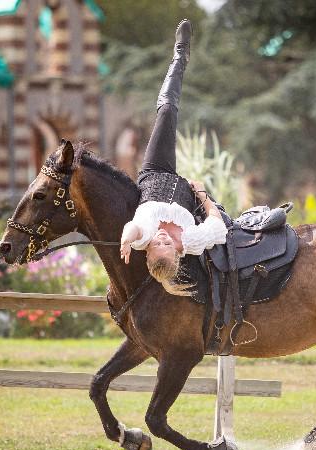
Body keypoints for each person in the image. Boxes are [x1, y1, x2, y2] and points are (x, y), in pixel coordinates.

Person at [119, 20, 227, 295]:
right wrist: (202, 193)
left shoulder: (143, 236)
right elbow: (218, 224)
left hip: (156, 172)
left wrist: (125, 241)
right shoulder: (192, 240)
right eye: (167, 246)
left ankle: (180, 55)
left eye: (158, 246)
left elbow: (133, 228)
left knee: (166, 111)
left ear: (148, 251)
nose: (163, 239)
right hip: (185, 189)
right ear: (178, 253)